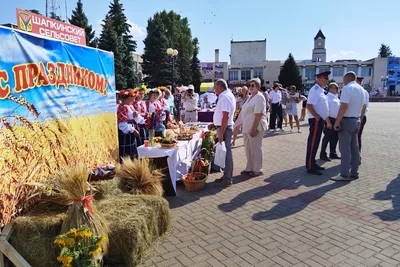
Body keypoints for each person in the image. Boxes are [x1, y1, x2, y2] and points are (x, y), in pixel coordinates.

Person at [332, 72, 366, 181]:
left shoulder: (347, 88)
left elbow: (344, 106)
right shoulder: (361, 89)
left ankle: (344, 174)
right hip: (356, 119)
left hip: (346, 121)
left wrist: (337, 121)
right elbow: (363, 106)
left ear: (347, 78)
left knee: (344, 149)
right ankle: (355, 172)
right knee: (354, 148)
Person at [208, 79, 236, 186]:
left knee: (227, 153)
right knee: (225, 153)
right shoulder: (227, 95)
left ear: (220, 87)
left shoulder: (225, 96)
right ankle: (226, 176)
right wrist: (214, 123)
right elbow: (223, 115)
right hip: (224, 127)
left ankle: (228, 178)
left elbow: (226, 116)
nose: (215, 91)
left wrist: (220, 133)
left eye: (215, 88)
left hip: (225, 128)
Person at [239, 78, 268, 176]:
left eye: (253, 85)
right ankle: (249, 168)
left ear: (258, 87)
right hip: (247, 127)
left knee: (256, 149)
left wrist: (254, 128)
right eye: (250, 85)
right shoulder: (250, 97)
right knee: (248, 149)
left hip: (256, 127)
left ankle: (257, 169)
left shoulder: (259, 97)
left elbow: (259, 114)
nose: (250, 87)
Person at [305, 71, 330, 175]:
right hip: (316, 120)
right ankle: (310, 166)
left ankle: (313, 162)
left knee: (316, 142)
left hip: (319, 120)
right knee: (313, 142)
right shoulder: (315, 90)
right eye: (325, 79)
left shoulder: (320, 90)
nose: (327, 81)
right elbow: (309, 105)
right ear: (318, 79)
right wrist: (317, 117)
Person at [320, 82, 341, 161]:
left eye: (336, 88)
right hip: (329, 119)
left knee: (335, 137)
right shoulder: (327, 97)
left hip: (336, 119)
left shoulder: (336, 97)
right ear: (330, 88)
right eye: (335, 88)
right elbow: (324, 110)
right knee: (327, 137)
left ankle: (333, 153)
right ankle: (323, 154)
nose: (336, 89)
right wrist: (327, 121)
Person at [117, 90, 140, 162]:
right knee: (126, 154)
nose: (134, 99)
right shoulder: (122, 107)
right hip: (126, 133)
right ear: (129, 97)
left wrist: (136, 116)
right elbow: (122, 124)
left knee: (132, 153)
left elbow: (134, 118)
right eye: (133, 97)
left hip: (131, 130)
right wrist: (133, 130)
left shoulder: (130, 106)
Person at [356, 76, 369, 165]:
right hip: (358, 117)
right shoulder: (364, 91)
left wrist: (360, 119)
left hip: (359, 117)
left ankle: (357, 157)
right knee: (356, 138)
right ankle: (356, 156)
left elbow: (364, 106)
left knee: (356, 138)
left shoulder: (362, 92)